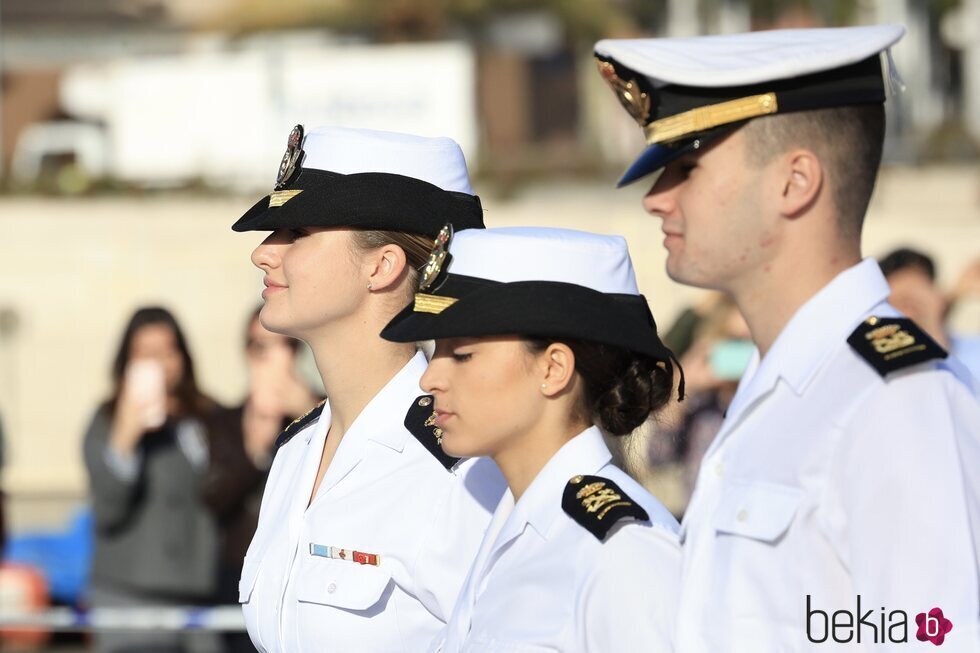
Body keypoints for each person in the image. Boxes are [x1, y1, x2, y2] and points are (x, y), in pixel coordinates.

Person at [595, 25, 980, 651]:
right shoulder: (781, 386)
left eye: (686, 166)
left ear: (795, 182)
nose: (656, 199)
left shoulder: (896, 404)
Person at [232, 125, 506, 652]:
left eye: (298, 231)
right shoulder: (297, 452)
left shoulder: (464, 468)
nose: (264, 253)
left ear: (382, 266)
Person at [381, 226, 683, 652]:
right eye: (437, 350)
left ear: (553, 369)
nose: (431, 377)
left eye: (463, 354)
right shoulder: (508, 522)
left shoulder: (622, 550)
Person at [82, 306, 221, 653]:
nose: (159, 363)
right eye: (146, 354)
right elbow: (108, 509)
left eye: (167, 351)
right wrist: (126, 438)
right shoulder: (107, 419)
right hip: (129, 594)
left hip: (202, 592)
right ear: (126, 362)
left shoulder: (210, 417)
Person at [202, 307, 319, 653]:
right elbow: (212, 500)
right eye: (259, 347)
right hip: (239, 576)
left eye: (282, 344)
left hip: (304, 574)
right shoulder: (224, 421)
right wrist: (254, 451)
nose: (271, 357)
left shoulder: (326, 411)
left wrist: (309, 412)